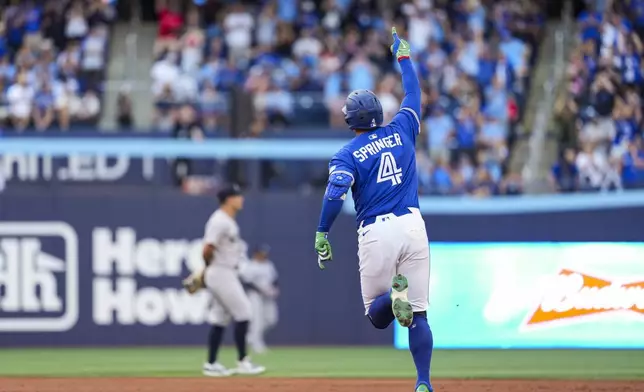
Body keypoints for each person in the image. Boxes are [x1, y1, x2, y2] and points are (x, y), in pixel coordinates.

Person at [313, 28, 433, 392]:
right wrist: (404, 58)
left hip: (377, 231)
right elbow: (414, 94)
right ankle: (424, 382)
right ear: (380, 113)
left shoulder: (347, 154)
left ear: (350, 121)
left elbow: (336, 193)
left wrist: (322, 231)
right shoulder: (403, 126)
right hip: (414, 225)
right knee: (420, 315)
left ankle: (391, 298)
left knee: (377, 316)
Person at [182, 184, 265, 377]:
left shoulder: (227, 220)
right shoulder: (220, 221)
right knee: (244, 311)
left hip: (223, 271)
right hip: (221, 272)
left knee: (220, 318)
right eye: (237, 196)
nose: (241, 199)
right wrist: (208, 268)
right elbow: (207, 247)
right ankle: (243, 361)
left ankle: (211, 364)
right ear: (229, 199)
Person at [240, 244, 279, 354]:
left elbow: (274, 279)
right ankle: (257, 344)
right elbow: (246, 282)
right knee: (257, 320)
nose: (264, 255)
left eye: (265, 253)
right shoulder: (250, 266)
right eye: (262, 253)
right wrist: (260, 290)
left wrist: (275, 289)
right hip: (255, 295)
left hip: (268, 295)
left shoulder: (269, 265)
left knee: (271, 320)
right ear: (256, 253)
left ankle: (251, 337)